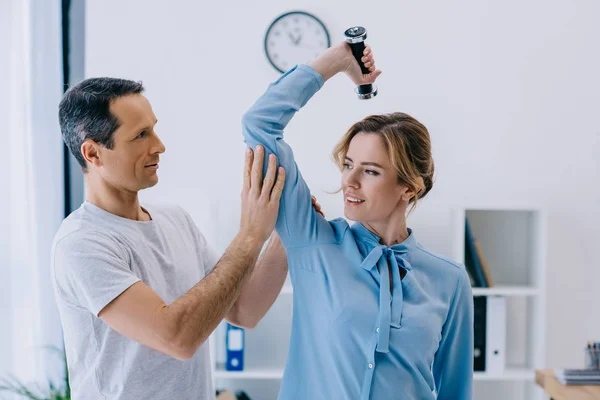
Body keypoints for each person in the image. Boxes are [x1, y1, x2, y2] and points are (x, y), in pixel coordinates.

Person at [242, 42, 474, 399]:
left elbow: (455, 392)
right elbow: (260, 123)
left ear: (408, 188)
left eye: (370, 171)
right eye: (348, 165)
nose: (349, 181)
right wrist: (336, 61)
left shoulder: (449, 280)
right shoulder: (314, 242)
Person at [52, 78, 298, 400]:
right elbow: (177, 338)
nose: (159, 145)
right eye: (141, 135)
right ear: (93, 153)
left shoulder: (175, 218)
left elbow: (244, 310)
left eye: (153, 129)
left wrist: (284, 234)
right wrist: (251, 233)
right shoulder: (81, 244)